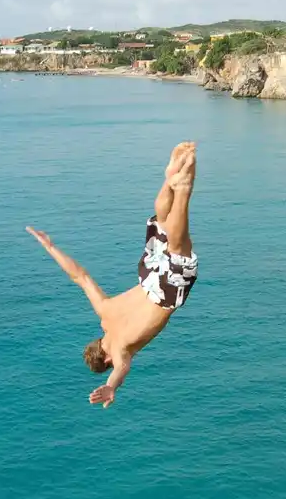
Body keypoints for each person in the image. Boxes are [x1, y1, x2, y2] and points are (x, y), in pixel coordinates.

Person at [25, 142, 199, 408]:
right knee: (163, 220)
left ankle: (182, 189)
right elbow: (79, 276)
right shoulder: (104, 311)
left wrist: (110, 386)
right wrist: (50, 248)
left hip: (163, 295)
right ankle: (169, 182)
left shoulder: (119, 351)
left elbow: (121, 370)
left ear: (105, 359)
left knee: (178, 247)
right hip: (147, 278)